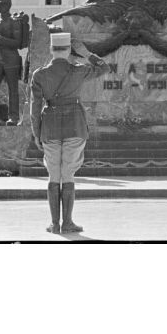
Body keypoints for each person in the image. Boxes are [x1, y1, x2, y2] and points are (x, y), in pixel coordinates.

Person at [30, 32, 109, 234]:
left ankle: (55, 224)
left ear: (51, 50)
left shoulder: (39, 75)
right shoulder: (79, 70)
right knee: (68, 175)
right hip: (75, 126)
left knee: (53, 176)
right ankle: (68, 223)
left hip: (50, 128)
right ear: (68, 51)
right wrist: (87, 53)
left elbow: (35, 107)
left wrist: (37, 133)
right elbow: (104, 68)